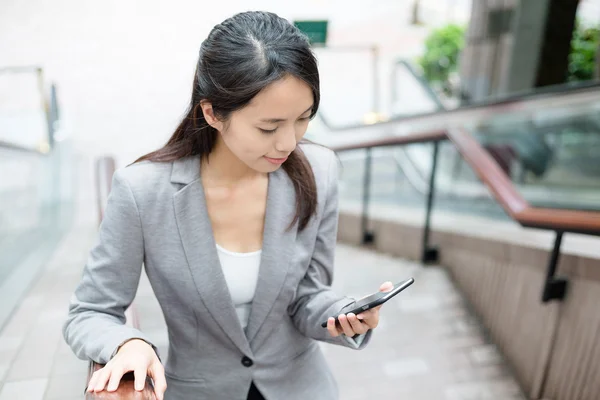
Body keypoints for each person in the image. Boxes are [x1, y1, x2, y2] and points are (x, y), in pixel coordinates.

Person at [62, 10, 392, 400]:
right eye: (268, 127)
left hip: (302, 388)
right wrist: (127, 343)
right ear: (212, 113)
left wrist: (344, 314)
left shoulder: (319, 171)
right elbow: (90, 311)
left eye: (303, 119)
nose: (288, 143)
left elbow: (308, 296)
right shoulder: (142, 192)